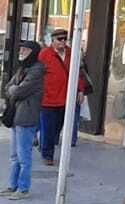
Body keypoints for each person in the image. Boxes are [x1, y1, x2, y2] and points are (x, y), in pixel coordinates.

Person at [38, 28, 89, 166]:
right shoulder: (45, 54)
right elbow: (37, 73)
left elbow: (78, 73)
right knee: (48, 128)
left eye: (65, 39)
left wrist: (80, 90)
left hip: (65, 99)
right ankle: (47, 154)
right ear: (52, 40)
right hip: (48, 99)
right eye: (59, 39)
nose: (63, 42)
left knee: (57, 128)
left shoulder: (71, 53)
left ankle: (44, 144)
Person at [0, 41, 43, 201]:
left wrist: (14, 90)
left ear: (33, 52)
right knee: (14, 155)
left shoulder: (37, 70)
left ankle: (23, 188)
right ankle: (12, 186)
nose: (22, 52)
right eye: (21, 49)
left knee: (24, 156)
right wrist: (14, 90)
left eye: (25, 50)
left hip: (26, 117)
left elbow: (20, 91)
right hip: (16, 116)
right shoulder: (22, 69)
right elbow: (8, 87)